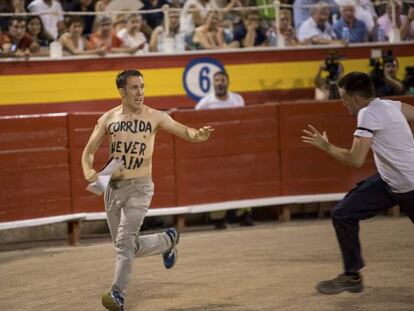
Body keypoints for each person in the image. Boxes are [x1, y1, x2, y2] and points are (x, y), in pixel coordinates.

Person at [81, 69, 214, 311]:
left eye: (142, 87)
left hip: (140, 189)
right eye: (134, 87)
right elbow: (88, 151)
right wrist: (88, 171)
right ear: (121, 91)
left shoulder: (155, 116)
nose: (140, 92)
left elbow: (185, 131)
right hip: (112, 188)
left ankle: (117, 294)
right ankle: (166, 241)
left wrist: (198, 135)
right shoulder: (108, 118)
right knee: (126, 245)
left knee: (123, 244)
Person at [301, 71, 414, 295]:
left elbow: (355, 159)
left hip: (410, 185)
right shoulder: (390, 106)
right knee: (343, 213)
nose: (342, 103)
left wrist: (326, 147)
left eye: (344, 98)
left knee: (343, 214)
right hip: (390, 181)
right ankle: (352, 276)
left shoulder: (367, 113)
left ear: (355, 98)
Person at [195, 70, 254, 228]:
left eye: (222, 80)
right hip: (213, 149)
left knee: (240, 179)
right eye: (217, 80)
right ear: (213, 83)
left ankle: (244, 214)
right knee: (216, 180)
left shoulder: (237, 99)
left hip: (236, 146)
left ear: (227, 82)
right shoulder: (205, 103)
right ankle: (218, 218)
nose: (220, 83)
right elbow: (195, 122)